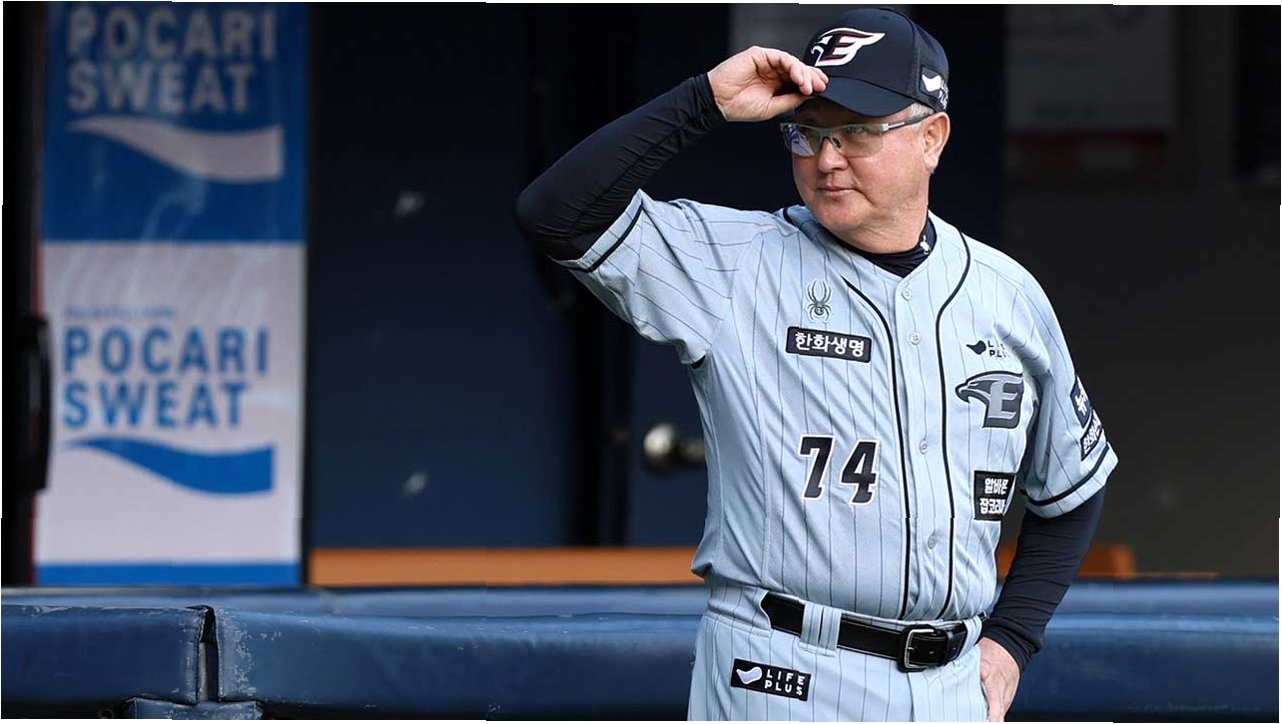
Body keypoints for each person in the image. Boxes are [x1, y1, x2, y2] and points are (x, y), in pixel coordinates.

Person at [516, 7, 1116, 722]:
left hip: (949, 685)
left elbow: (1072, 485)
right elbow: (556, 212)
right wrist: (703, 100)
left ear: (932, 137)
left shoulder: (1007, 294)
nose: (828, 158)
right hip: (779, 667)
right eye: (808, 132)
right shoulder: (735, 261)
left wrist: (1013, 639)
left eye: (857, 132)